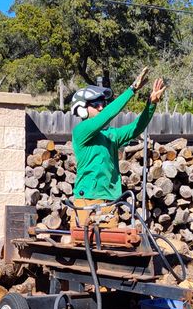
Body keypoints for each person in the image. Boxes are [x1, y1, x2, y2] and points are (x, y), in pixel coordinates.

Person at [71, 67, 166, 226]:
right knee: (83, 245)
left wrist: (151, 104)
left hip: (109, 201)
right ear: (81, 108)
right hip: (86, 201)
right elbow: (108, 114)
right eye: (96, 103)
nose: (101, 107)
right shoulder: (81, 131)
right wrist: (132, 90)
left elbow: (136, 128)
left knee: (110, 247)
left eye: (103, 103)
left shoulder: (110, 135)